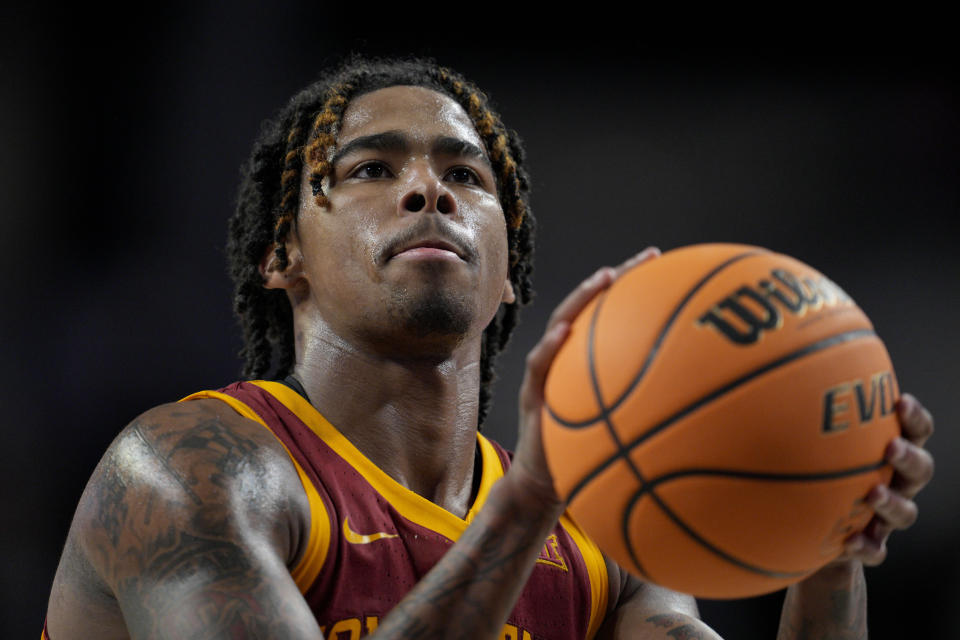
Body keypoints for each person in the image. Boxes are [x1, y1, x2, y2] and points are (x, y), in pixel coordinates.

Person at [44, 56, 935, 639]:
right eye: (370, 169)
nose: (429, 190)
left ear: (510, 271)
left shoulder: (595, 536)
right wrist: (528, 501)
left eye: (465, 175)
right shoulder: (188, 469)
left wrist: (826, 538)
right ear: (281, 253)